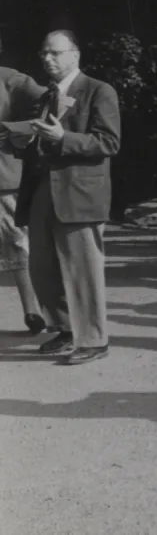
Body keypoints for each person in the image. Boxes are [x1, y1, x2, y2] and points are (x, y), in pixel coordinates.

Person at [2, 31, 121, 365]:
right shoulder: (47, 94)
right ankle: (66, 329)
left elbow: (108, 142)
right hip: (43, 190)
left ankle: (94, 339)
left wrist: (63, 137)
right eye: (44, 53)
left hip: (79, 192)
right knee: (43, 268)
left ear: (75, 55)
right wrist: (22, 139)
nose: (47, 59)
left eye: (54, 53)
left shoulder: (99, 90)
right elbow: (42, 137)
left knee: (82, 268)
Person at [0, 37, 46, 333]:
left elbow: (56, 103)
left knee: (19, 244)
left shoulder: (9, 79)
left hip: (2, 180)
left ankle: (34, 311)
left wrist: (13, 131)